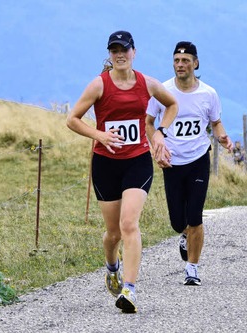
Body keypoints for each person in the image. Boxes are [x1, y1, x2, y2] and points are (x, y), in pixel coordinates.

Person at [66, 30, 178, 313]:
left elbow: (172, 104)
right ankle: (111, 265)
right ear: (109, 54)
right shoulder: (99, 85)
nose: (119, 54)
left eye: (124, 50)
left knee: (130, 225)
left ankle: (129, 290)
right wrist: (99, 135)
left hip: (137, 160)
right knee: (113, 233)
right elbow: (72, 119)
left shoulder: (147, 83)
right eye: (114, 50)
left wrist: (160, 134)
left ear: (134, 52)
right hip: (105, 163)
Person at [146, 41, 233, 286]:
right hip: (171, 162)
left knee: (195, 216)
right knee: (177, 221)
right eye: (176, 60)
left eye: (185, 61)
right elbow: (148, 122)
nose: (180, 65)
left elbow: (215, 123)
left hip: (198, 159)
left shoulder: (208, 93)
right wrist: (156, 145)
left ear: (195, 63)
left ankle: (192, 268)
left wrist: (223, 137)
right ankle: (184, 235)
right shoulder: (162, 90)